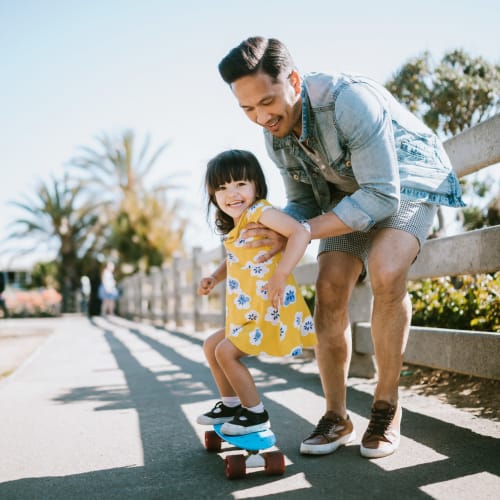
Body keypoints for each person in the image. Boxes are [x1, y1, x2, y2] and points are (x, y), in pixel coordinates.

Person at [217, 37, 465, 457]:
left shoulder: (348, 101)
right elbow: (304, 203)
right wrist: (284, 227)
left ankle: (386, 406)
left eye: (267, 102)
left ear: (293, 80)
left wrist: (301, 230)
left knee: (386, 270)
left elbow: (383, 196)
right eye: (247, 109)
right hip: (346, 198)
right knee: (330, 287)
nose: (261, 117)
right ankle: (337, 416)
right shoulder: (274, 134)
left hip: (406, 184)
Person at [196, 149, 317, 436]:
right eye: (222, 188)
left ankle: (255, 413)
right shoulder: (239, 224)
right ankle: (230, 404)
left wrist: (281, 273)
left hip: (269, 307)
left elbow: (300, 232)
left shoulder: (260, 212)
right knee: (212, 346)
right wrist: (214, 276)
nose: (232, 193)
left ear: (256, 185)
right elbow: (237, 257)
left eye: (240, 184)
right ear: (213, 195)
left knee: (226, 353)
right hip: (248, 311)